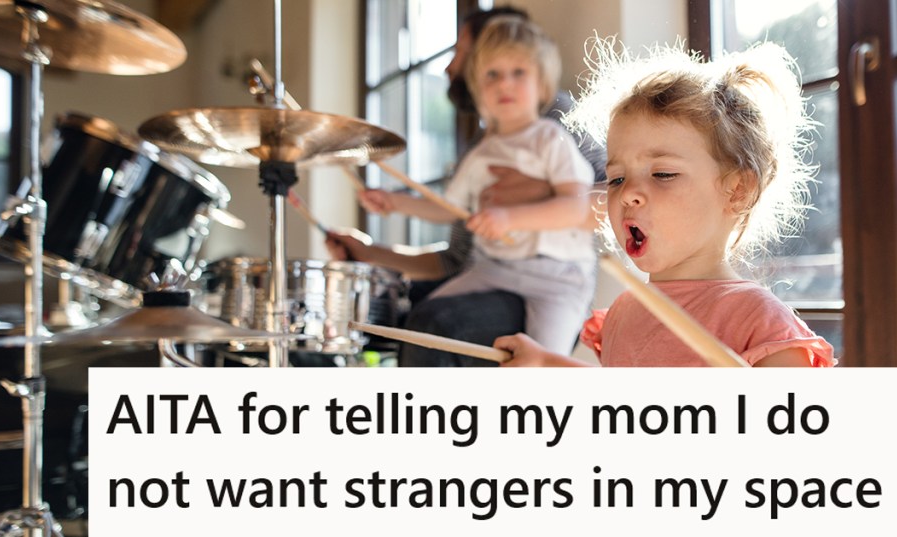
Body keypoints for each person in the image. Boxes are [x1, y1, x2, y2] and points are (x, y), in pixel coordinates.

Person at [494, 41, 835, 368]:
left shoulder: (759, 320)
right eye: (616, 179)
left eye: (663, 173)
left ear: (738, 191)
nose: (627, 193)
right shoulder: (626, 311)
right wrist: (546, 362)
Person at [328, 8, 605, 366]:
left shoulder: (552, 135)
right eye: (492, 74)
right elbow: (451, 209)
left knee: (540, 369)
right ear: (479, 86)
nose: (505, 83)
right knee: (419, 320)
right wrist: (395, 202)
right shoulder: (482, 151)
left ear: (541, 82)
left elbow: (577, 206)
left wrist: (510, 216)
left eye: (517, 73)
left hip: (557, 279)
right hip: (494, 268)